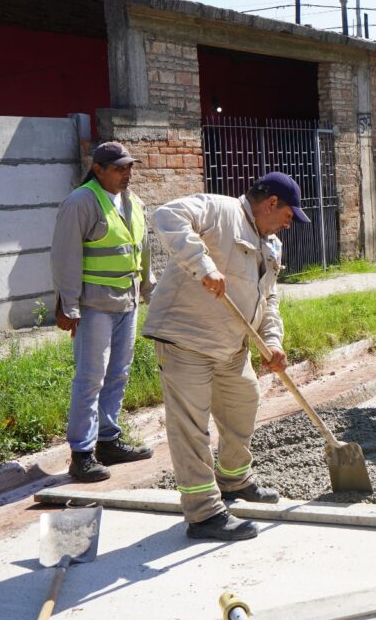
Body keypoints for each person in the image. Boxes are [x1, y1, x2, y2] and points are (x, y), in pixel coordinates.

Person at [142, 172, 310, 541]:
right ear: (271, 203)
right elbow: (166, 215)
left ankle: (234, 479)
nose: (288, 223)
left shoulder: (271, 245)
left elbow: (269, 299)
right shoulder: (220, 210)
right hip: (187, 339)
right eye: (287, 215)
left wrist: (273, 342)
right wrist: (203, 266)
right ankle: (203, 514)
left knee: (243, 403)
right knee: (191, 428)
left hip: (232, 347)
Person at [51, 142, 156, 482]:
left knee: (118, 373)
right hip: (94, 306)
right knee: (91, 377)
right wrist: (68, 305)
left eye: (129, 167)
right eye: (119, 168)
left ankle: (108, 441)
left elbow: (142, 248)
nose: (127, 173)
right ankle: (81, 454)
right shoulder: (81, 202)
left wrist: (148, 287)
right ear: (98, 169)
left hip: (127, 302)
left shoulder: (133, 202)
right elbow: (65, 257)